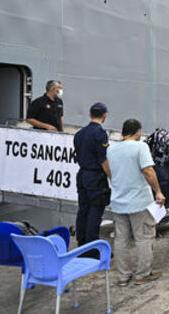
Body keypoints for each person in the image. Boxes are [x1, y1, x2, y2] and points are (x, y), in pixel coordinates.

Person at [106, 119, 165, 285]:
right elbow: (148, 170)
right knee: (144, 238)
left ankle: (123, 276)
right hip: (139, 201)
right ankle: (142, 274)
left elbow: (110, 170)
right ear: (138, 132)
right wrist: (158, 191)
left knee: (121, 239)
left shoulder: (111, 149)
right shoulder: (141, 147)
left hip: (118, 201)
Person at [73, 103, 112, 249]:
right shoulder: (100, 133)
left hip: (82, 174)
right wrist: (111, 177)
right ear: (105, 115)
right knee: (95, 211)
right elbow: (102, 159)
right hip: (95, 177)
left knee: (83, 210)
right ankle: (91, 247)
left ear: (89, 114)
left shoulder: (79, 134)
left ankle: (81, 243)